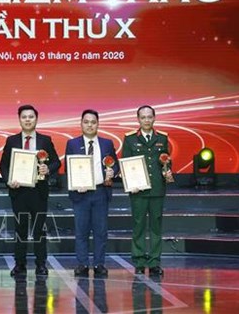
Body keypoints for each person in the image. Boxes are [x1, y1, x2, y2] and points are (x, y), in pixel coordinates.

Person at [0, 104, 60, 277]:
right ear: (19, 120)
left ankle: (41, 264)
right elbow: (3, 165)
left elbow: (56, 162)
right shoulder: (11, 141)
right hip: (19, 192)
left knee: (39, 229)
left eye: (31, 117)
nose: (27, 120)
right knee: (20, 229)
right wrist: (8, 180)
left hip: (39, 192)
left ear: (36, 119)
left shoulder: (45, 140)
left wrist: (48, 169)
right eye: (24, 117)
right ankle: (20, 264)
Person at [65, 109, 119, 278]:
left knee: (100, 231)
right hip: (80, 194)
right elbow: (68, 167)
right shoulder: (72, 144)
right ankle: (82, 264)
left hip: (101, 192)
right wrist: (76, 184)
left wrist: (113, 172)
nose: (90, 125)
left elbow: (115, 165)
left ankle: (99, 264)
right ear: (81, 124)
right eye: (86, 122)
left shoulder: (107, 143)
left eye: (93, 122)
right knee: (81, 231)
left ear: (98, 124)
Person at [122, 105, 173, 277]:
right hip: (138, 189)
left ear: (154, 118)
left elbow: (166, 160)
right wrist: (130, 182)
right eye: (143, 117)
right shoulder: (130, 139)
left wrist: (168, 170)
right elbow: (125, 163)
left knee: (156, 226)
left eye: (149, 117)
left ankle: (154, 262)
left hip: (157, 188)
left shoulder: (162, 138)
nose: (146, 120)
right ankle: (139, 261)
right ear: (138, 119)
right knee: (138, 225)